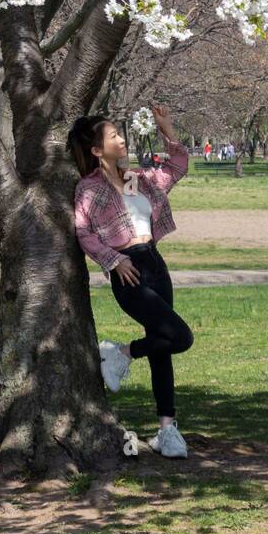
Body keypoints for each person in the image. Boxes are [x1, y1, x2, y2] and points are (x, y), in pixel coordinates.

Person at [69, 103, 193, 459]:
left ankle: (166, 431)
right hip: (128, 270)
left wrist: (167, 127)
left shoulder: (134, 178)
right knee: (181, 337)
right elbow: (83, 232)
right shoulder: (88, 189)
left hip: (154, 262)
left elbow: (178, 166)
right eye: (114, 136)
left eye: (120, 134)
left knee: (163, 347)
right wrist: (113, 260)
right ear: (97, 150)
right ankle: (118, 354)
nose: (121, 140)